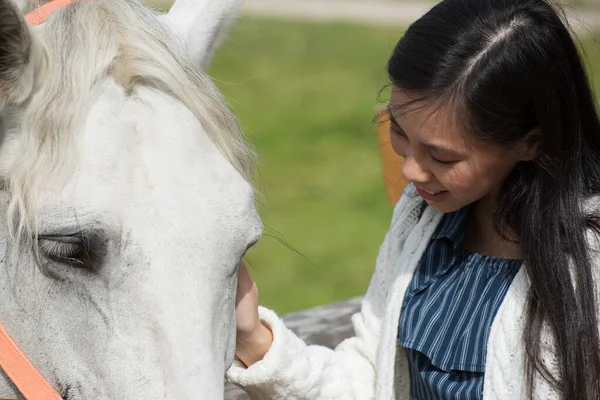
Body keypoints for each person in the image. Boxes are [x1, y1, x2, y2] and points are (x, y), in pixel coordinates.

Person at [227, 0, 600, 398]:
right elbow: (370, 378)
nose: (410, 172)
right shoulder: (422, 217)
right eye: (399, 130)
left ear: (531, 142)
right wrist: (254, 340)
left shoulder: (588, 262)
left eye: (442, 156)